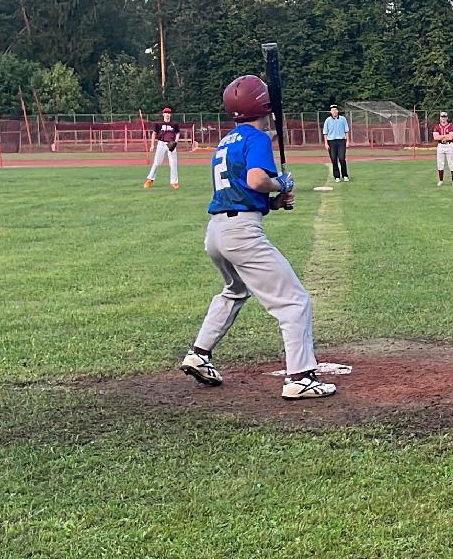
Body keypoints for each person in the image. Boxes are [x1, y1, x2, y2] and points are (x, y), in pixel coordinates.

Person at [178, 75, 336, 400]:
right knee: (294, 301)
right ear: (264, 104)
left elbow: (242, 189)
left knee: (235, 291)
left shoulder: (227, 141)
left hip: (217, 232)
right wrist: (283, 184)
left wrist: (275, 202)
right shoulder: (258, 137)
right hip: (241, 233)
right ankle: (301, 378)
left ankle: (199, 354)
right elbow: (255, 180)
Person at [144, 107, 181, 189]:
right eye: (166, 113)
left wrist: (175, 142)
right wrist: (152, 145)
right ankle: (150, 179)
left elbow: (178, 133)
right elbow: (154, 134)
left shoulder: (174, 124)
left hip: (171, 143)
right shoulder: (158, 124)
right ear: (163, 114)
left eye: (168, 113)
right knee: (157, 162)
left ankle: (174, 182)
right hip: (161, 143)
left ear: (170, 114)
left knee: (173, 164)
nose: (167, 114)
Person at [323, 104, 350, 182]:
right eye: (332, 110)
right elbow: (325, 132)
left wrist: (348, 141)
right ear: (330, 111)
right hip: (331, 141)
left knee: (342, 158)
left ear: (338, 111)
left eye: (335, 110)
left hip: (341, 141)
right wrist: (326, 143)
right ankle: (337, 176)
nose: (334, 111)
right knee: (334, 159)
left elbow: (346, 130)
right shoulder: (327, 120)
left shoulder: (342, 119)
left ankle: (345, 175)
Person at [432, 111, 453, 186]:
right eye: (442, 117)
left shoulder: (451, 126)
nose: (443, 118)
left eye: (445, 117)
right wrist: (445, 135)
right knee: (440, 163)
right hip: (440, 145)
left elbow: (450, 137)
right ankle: (441, 180)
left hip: (449, 145)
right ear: (440, 118)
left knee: (451, 163)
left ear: (447, 118)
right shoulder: (436, 126)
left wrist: (442, 136)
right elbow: (436, 137)